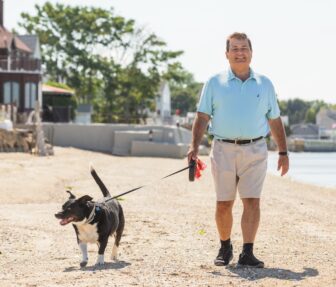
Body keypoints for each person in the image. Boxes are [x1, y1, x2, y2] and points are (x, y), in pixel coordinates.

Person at [187, 32, 289, 268]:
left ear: (251, 53)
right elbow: (202, 116)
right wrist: (193, 146)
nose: (240, 52)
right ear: (226, 54)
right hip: (223, 148)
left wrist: (283, 152)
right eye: (235, 48)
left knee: (252, 201)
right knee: (224, 203)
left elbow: (274, 119)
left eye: (244, 48)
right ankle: (225, 246)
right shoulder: (214, 82)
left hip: (255, 149)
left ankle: (247, 252)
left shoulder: (265, 84)